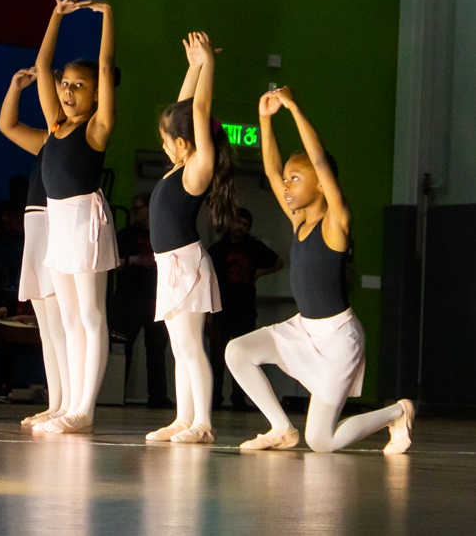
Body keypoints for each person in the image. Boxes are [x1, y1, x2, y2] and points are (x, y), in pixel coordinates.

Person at [224, 86, 414, 453]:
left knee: (322, 441)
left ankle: (397, 412)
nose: (286, 184)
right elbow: (270, 167)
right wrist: (264, 121)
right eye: (287, 179)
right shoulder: (299, 220)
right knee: (237, 351)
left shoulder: (336, 223)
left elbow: (322, 162)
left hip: (338, 340)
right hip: (302, 329)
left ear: (322, 186)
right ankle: (281, 428)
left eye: (296, 178)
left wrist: (294, 108)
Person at [32, 0, 119, 434]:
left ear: (96, 96)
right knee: (67, 319)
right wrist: (56, 15)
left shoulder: (96, 129)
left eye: (79, 85)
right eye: (66, 83)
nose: (67, 89)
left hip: (85, 221)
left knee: (90, 315)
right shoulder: (55, 125)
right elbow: (42, 67)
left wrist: (107, 17)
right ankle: (66, 404)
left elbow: (106, 68)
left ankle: (84, 409)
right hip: (58, 223)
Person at [145, 31, 235, 444]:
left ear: (183, 144)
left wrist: (210, 68)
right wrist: (194, 65)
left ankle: (203, 422)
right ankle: (184, 418)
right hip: (170, 266)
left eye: (166, 143)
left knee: (192, 345)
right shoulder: (177, 163)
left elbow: (198, 109)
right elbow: (183, 109)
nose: (163, 148)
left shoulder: (198, 168)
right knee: (178, 347)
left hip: (187, 265)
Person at [0, 67, 69, 425]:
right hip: (36, 226)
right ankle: (56, 403)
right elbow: (7, 126)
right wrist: (15, 86)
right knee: (47, 328)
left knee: (61, 325)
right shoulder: (46, 141)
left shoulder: (76, 138)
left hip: (57, 225)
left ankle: (70, 405)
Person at [208, 207, 283, 410]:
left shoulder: (253, 246)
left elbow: (278, 262)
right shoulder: (216, 250)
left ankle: (239, 398)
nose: (240, 227)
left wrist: (259, 273)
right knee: (217, 357)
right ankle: (214, 397)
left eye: (245, 224)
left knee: (244, 355)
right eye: (237, 222)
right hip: (220, 309)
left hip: (244, 308)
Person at [110, 192, 172, 409]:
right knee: (121, 346)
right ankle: (116, 393)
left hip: (156, 299)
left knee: (156, 350)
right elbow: (111, 262)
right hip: (128, 298)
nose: (136, 213)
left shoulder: (163, 232)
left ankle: (158, 397)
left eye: (139, 208)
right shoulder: (125, 234)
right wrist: (135, 260)